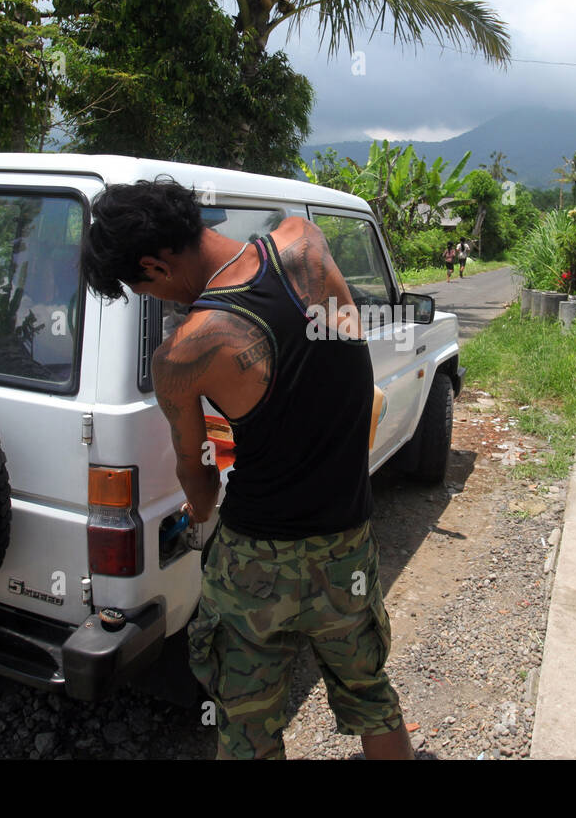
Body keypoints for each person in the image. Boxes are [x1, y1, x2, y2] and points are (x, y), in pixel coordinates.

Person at [80, 179, 413, 760]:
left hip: (256, 559)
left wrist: (200, 508)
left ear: (156, 264)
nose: (154, 299)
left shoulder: (183, 354)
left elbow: (197, 476)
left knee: (245, 722)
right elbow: (347, 371)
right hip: (347, 542)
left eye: (143, 287)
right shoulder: (305, 243)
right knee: (369, 693)